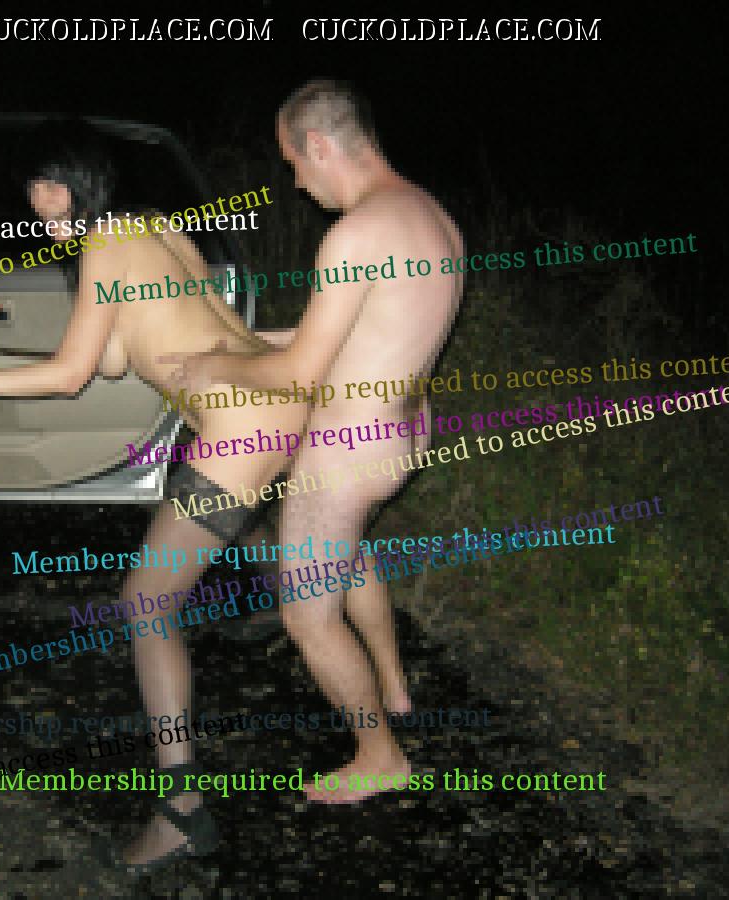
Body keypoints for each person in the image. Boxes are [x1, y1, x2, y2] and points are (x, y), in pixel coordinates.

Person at [0, 147, 306, 869]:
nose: (43, 221)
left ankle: (182, 811)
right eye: (37, 209)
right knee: (295, 539)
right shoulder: (155, 228)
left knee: (147, 605)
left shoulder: (105, 247)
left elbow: (71, 376)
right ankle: (369, 696)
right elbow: (124, 355)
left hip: (240, 429)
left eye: (47, 203)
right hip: (277, 403)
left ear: (71, 190)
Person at [161, 79, 465, 804]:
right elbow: (337, 335)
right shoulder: (429, 216)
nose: (296, 179)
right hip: (402, 430)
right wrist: (240, 344)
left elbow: (299, 373)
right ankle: (393, 686)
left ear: (321, 145)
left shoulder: (353, 236)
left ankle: (379, 755)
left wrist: (214, 370)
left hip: (346, 451)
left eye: (295, 160)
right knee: (348, 554)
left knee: (307, 612)